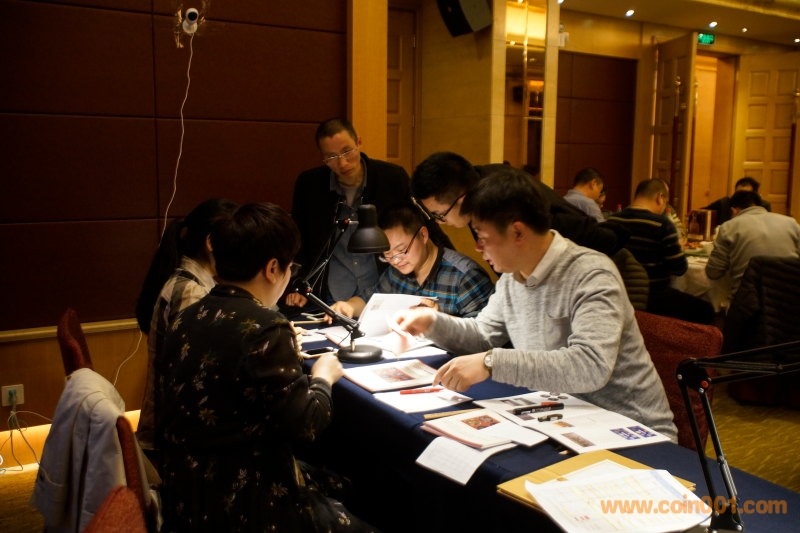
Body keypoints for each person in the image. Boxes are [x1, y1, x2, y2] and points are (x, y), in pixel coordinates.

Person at [394, 167, 677, 442]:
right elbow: (483, 335)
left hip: (633, 429)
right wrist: (432, 322)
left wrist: (491, 362)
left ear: (518, 232)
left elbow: (590, 366)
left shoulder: (590, 274)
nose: (478, 247)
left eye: (483, 237)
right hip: (565, 419)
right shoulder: (512, 277)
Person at [155, 202, 379, 532]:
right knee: (366, 492)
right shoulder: (266, 327)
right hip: (245, 503)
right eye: (291, 268)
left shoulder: (189, 315)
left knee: (344, 484)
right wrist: (323, 377)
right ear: (273, 268)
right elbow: (306, 427)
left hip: (186, 491)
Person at [286, 118, 449, 311]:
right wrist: (297, 283)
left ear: (359, 142)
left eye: (347, 151)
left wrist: (451, 266)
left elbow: (425, 224)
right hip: (332, 294)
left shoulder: (392, 177)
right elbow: (298, 241)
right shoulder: (310, 184)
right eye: (331, 157)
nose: (342, 162)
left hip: (383, 288)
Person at [134, 197, 239, 460]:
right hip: (171, 441)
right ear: (211, 242)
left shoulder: (191, 281)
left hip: (173, 429)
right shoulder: (191, 293)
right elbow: (197, 378)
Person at [410, 151, 629, 256]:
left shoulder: (502, 203)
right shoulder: (476, 191)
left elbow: (597, 236)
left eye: (439, 214)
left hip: (604, 255)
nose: (440, 222)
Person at [328, 205, 495, 320]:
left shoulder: (465, 276)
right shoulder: (396, 272)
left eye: (402, 250)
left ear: (423, 235)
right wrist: (349, 306)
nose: (395, 260)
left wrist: (438, 319)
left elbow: (483, 335)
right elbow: (370, 299)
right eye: (387, 254)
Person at [607, 179, 715, 324]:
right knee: (706, 310)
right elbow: (679, 268)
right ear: (660, 197)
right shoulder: (662, 224)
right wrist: (678, 247)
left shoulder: (611, 220)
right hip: (653, 295)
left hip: (616, 292)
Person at [705, 190, 800, 301]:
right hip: (791, 300)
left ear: (734, 210)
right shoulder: (791, 223)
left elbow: (713, 272)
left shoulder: (728, 227)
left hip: (747, 302)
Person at [702, 176, 772, 226]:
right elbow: (701, 213)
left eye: (746, 195)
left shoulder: (763, 206)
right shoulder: (724, 203)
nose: (741, 197)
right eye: (738, 193)